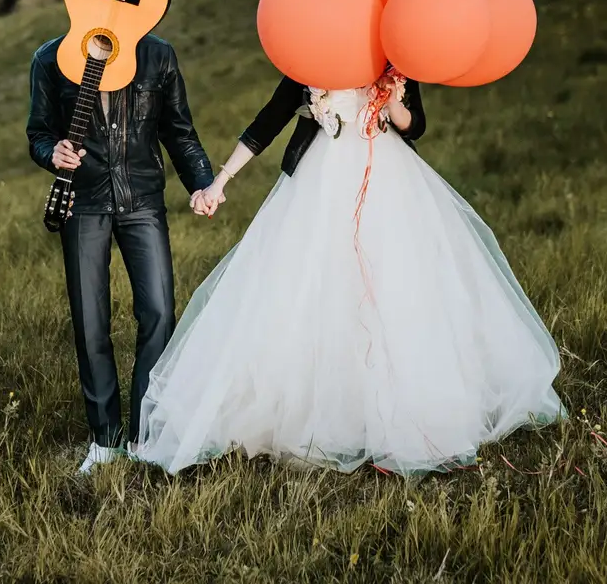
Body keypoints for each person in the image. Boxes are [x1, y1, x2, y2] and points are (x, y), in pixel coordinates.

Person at [133, 68, 565, 476]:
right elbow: (270, 118)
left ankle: (404, 412)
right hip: (320, 182)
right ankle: (323, 412)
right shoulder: (312, 50)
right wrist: (220, 180)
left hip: (387, 177)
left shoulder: (394, 52)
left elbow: (415, 124)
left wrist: (394, 102)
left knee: (395, 285)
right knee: (314, 287)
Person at [27, 33, 215, 475]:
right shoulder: (51, 58)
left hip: (143, 201)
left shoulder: (158, 55)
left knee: (158, 313)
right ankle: (106, 441)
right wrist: (50, 152)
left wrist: (202, 183)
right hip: (83, 203)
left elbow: (180, 132)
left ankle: (145, 435)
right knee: (90, 322)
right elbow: (37, 132)